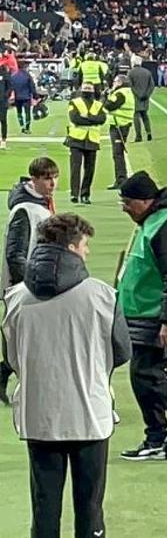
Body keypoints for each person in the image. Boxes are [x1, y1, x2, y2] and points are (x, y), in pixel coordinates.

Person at [3, 213, 131, 538]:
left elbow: (12, 357)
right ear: (73, 247)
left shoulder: (15, 297)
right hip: (90, 414)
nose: (87, 252)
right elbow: (122, 352)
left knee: (44, 509)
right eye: (85, 245)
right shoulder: (104, 296)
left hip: (39, 415)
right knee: (90, 509)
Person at [116, 171, 167, 461]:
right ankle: (159, 434)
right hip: (148, 314)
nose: (124, 208)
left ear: (144, 200)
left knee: (149, 373)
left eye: (127, 202)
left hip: (160, 316)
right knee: (145, 374)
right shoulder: (153, 221)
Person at [0, 156, 58, 405]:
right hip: (24, 286)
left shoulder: (38, 204)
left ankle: (6, 376)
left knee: (25, 341)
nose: (53, 183)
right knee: (23, 342)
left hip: (32, 283)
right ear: (33, 179)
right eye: (47, 178)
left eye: (55, 177)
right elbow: (15, 253)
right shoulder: (25, 210)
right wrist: (29, 284)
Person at [65, 83, 107, 205]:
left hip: (92, 140)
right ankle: (74, 194)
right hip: (76, 139)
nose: (87, 90)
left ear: (93, 90)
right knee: (75, 168)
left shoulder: (98, 105)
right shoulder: (74, 102)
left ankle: (85, 194)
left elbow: (102, 119)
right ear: (81, 89)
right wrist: (93, 120)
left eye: (89, 88)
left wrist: (86, 118)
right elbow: (74, 119)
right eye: (85, 88)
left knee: (90, 169)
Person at [102, 75, 135, 189]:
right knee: (118, 153)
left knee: (118, 153)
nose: (113, 83)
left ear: (120, 82)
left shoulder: (120, 93)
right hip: (122, 123)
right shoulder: (127, 91)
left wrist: (106, 96)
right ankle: (121, 178)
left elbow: (108, 106)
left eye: (115, 81)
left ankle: (121, 179)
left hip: (119, 125)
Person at [128, 56, 155, 142]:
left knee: (136, 116)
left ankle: (138, 136)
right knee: (145, 116)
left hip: (135, 97)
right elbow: (152, 85)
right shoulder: (147, 72)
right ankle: (149, 132)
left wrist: (137, 94)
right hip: (145, 98)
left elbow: (130, 86)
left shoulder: (130, 72)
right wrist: (147, 94)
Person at [10, 60, 35, 135]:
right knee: (27, 113)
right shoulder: (27, 75)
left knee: (19, 112)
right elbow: (32, 86)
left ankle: (22, 126)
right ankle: (27, 128)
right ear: (25, 67)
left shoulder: (14, 76)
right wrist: (35, 96)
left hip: (18, 97)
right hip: (26, 97)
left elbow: (11, 87)